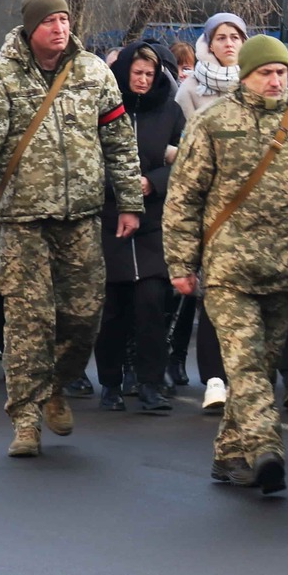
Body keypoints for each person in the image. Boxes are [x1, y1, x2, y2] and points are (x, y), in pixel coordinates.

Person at [164, 35, 288, 493]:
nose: (275, 81)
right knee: (247, 367)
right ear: (246, 76)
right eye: (265, 73)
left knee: (262, 366)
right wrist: (181, 262)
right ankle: (267, 449)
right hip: (229, 270)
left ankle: (230, 456)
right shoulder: (213, 123)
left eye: (281, 73)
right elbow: (184, 197)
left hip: (284, 268)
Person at [0, 0, 142, 458]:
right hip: (22, 222)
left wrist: (127, 202)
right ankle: (24, 420)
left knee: (84, 318)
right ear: (30, 28)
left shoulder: (93, 72)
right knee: (27, 321)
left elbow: (119, 141)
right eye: (49, 21)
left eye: (64, 19)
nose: (59, 28)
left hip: (80, 218)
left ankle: (56, 384)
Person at [94, 42, 184, 414]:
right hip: (111, 221)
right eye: (137, 74)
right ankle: (111, 384)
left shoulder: (171, 112)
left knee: (151, 306)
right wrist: (123, 186)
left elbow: (187, 160)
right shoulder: (104, 109)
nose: (144, 81)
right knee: (112, 311)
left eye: (150, 74)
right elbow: (93, 158)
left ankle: (150, 383)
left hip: (152, 225)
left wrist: (154, 182)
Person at [174, 12, 249, 414]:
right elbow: (180, 147)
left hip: (253, 207)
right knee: (212, 295)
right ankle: (214, 379)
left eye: (236, 36)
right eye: (221, 37)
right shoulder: (190, 90)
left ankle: (247, 377)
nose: (229, 43)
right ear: (208, 43)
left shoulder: (254, 83)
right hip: (212, 205)